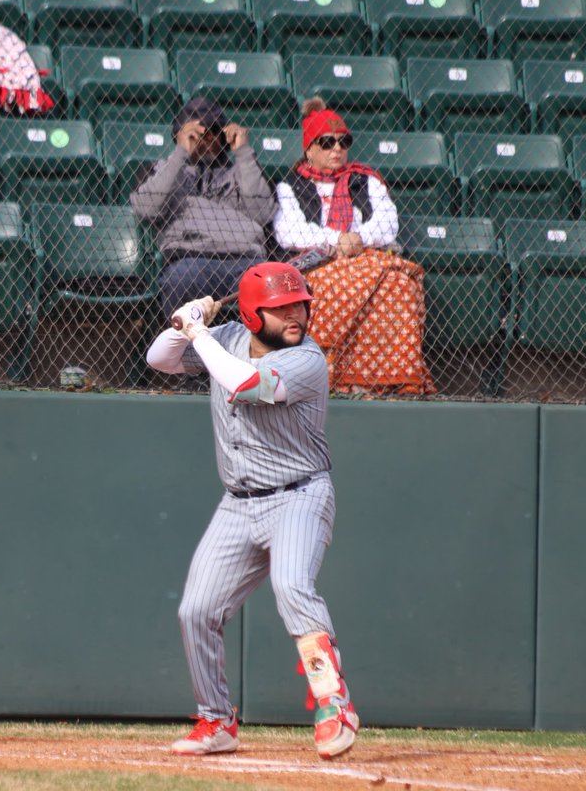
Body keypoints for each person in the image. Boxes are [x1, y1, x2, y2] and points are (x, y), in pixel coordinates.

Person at [145, 264, 359, 761]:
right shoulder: (227, 337)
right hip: (238, 504)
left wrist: (198, 333)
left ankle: (334, 702)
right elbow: (159, 359)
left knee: (292, 586)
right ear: (249, 313)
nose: (294, 314)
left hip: (300, 495)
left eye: (299, 304)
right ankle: (216, 721)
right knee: (196, 611)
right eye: (280, 308)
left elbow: (243, 383)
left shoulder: (308, 360)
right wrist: (188, 321)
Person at [273, 98, 435, 396]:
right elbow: (288, 232)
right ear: (309, 148)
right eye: (327, 142)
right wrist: (337, 240)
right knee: (328, 285)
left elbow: (388, 223)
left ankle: (390, 380)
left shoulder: (365, 179)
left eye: (343, 142)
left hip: (365, 257)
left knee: (399, 284)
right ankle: (332, 378)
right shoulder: (290, 185)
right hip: (320, 263)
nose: (337, 149)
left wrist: (358, 239)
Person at [131, 97, 276, 320]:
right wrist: (180, 153)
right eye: (198, 133)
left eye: (214, 131)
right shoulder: (163, 170)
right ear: (180, 135)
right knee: (182, 279)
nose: (207, 138)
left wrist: (244, 152)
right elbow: (148, 208)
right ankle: (184, 353)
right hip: (190, 261)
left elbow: (262, 213)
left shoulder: (243, 170)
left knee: (273, 283)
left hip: (245, 262)